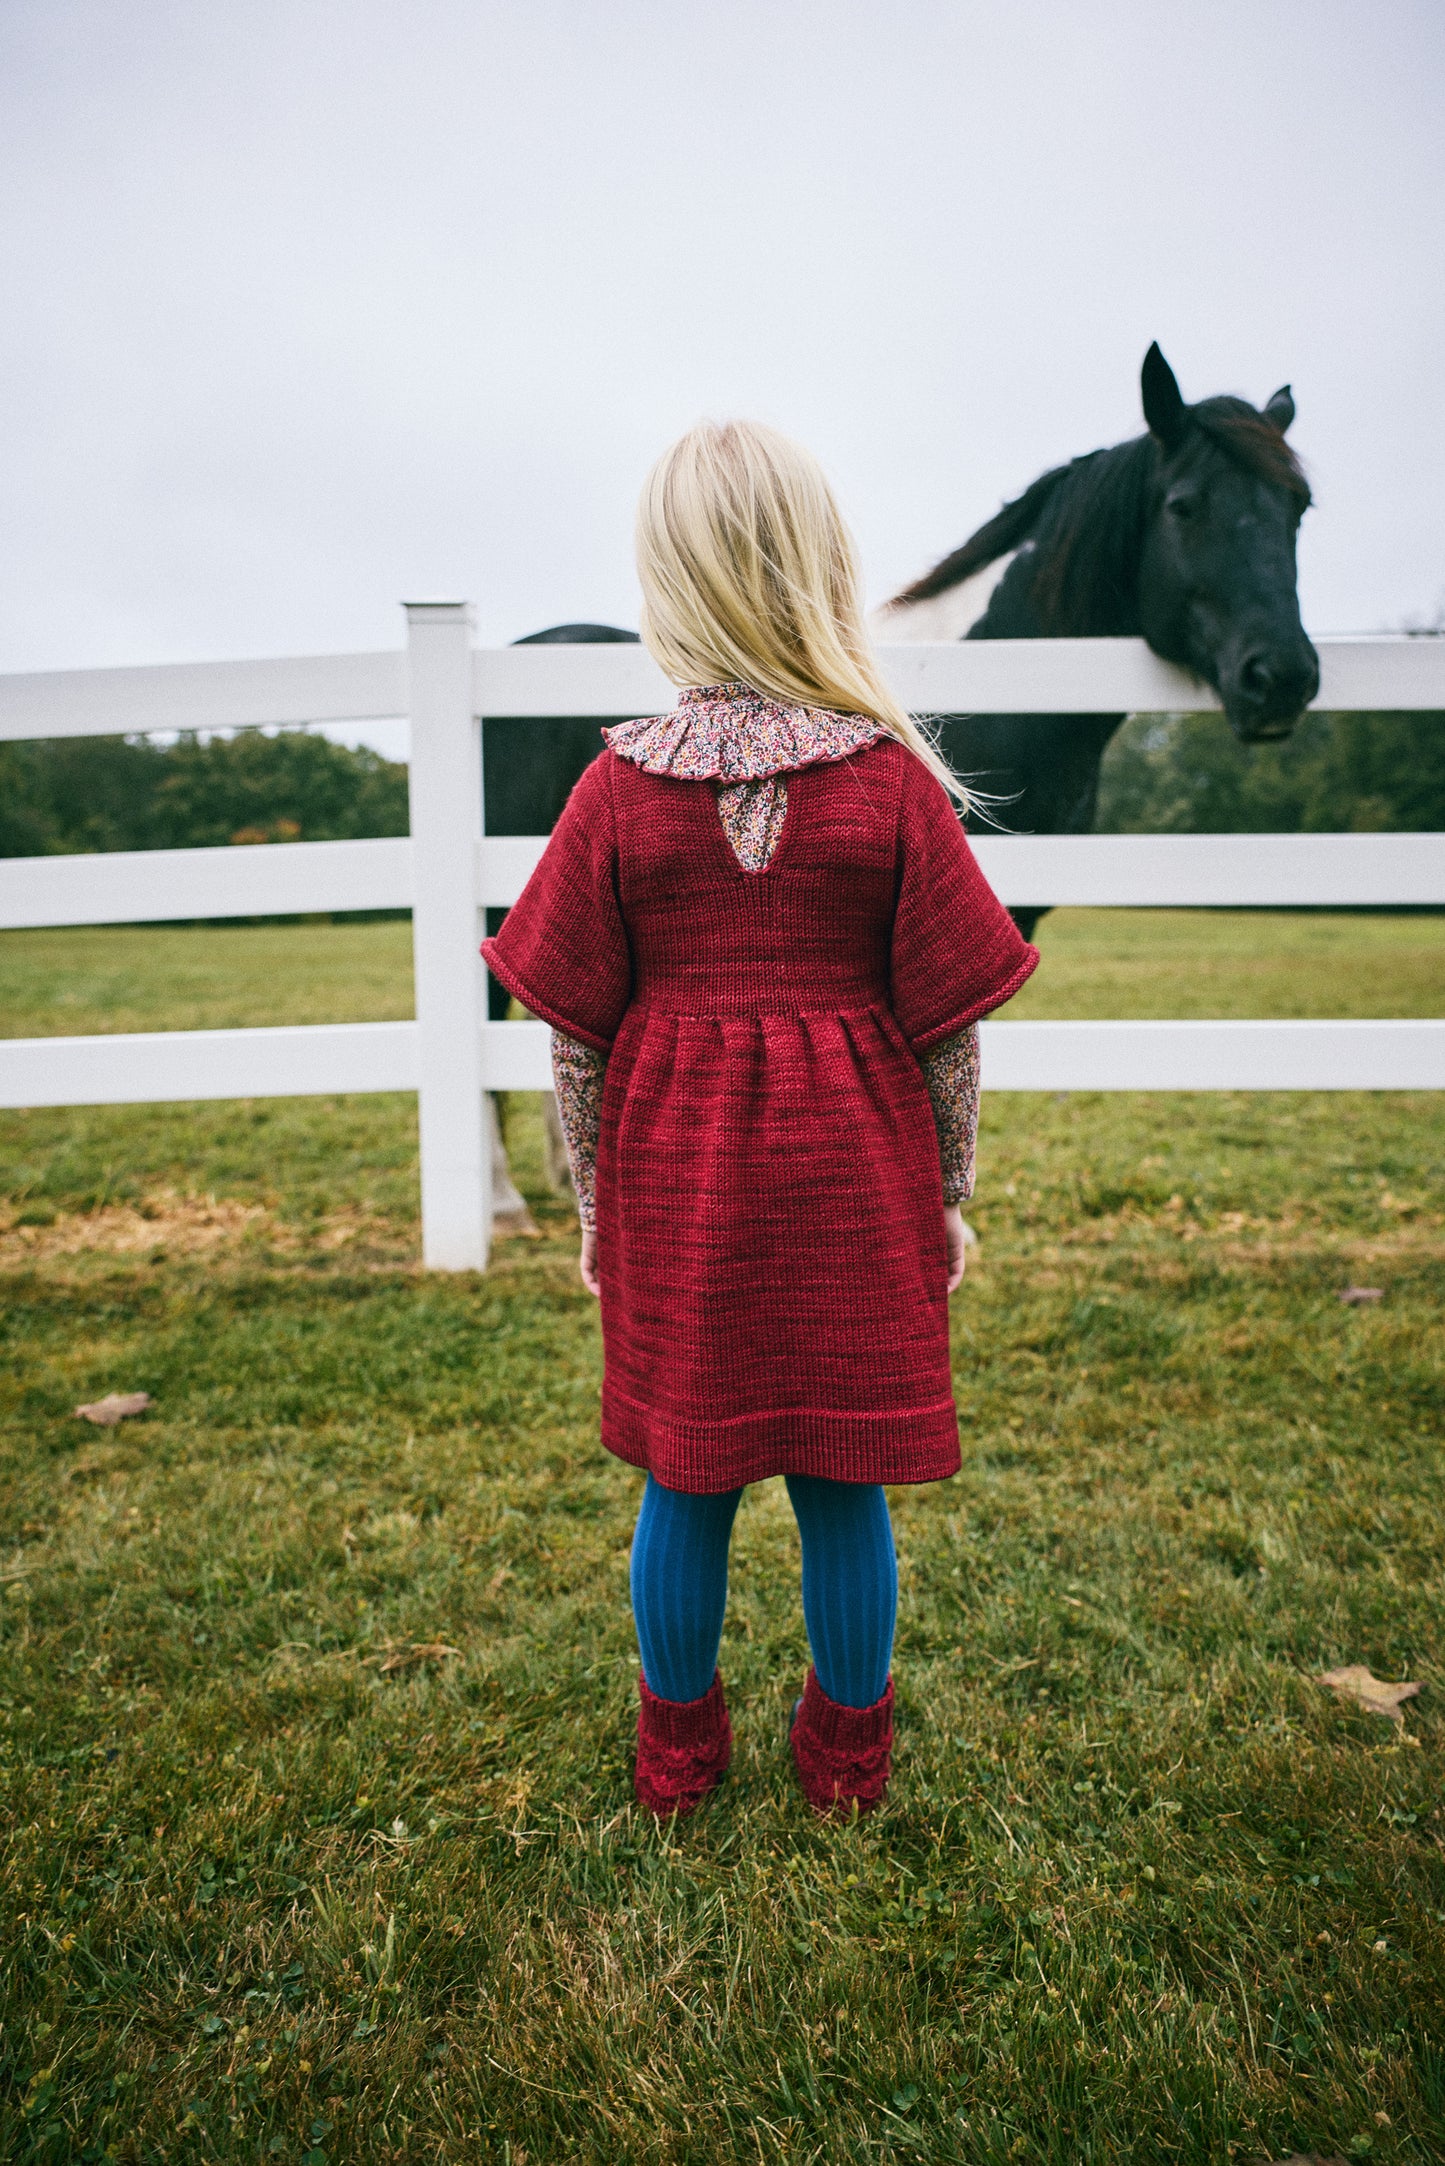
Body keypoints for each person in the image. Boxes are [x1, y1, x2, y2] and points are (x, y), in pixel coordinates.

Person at [482, 419, 1037, 1818]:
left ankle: (678, 1749)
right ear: (817, 570)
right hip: (857, 1175)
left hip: (680, 1182)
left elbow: (576, 1041)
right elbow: (945, 1030)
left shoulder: (617, 787)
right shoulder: (889, 779)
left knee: (687, 1474)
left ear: (665, 578)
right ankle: (847, 1753)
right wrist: (950, 1188)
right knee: (846, 1481)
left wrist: (599, 1211)